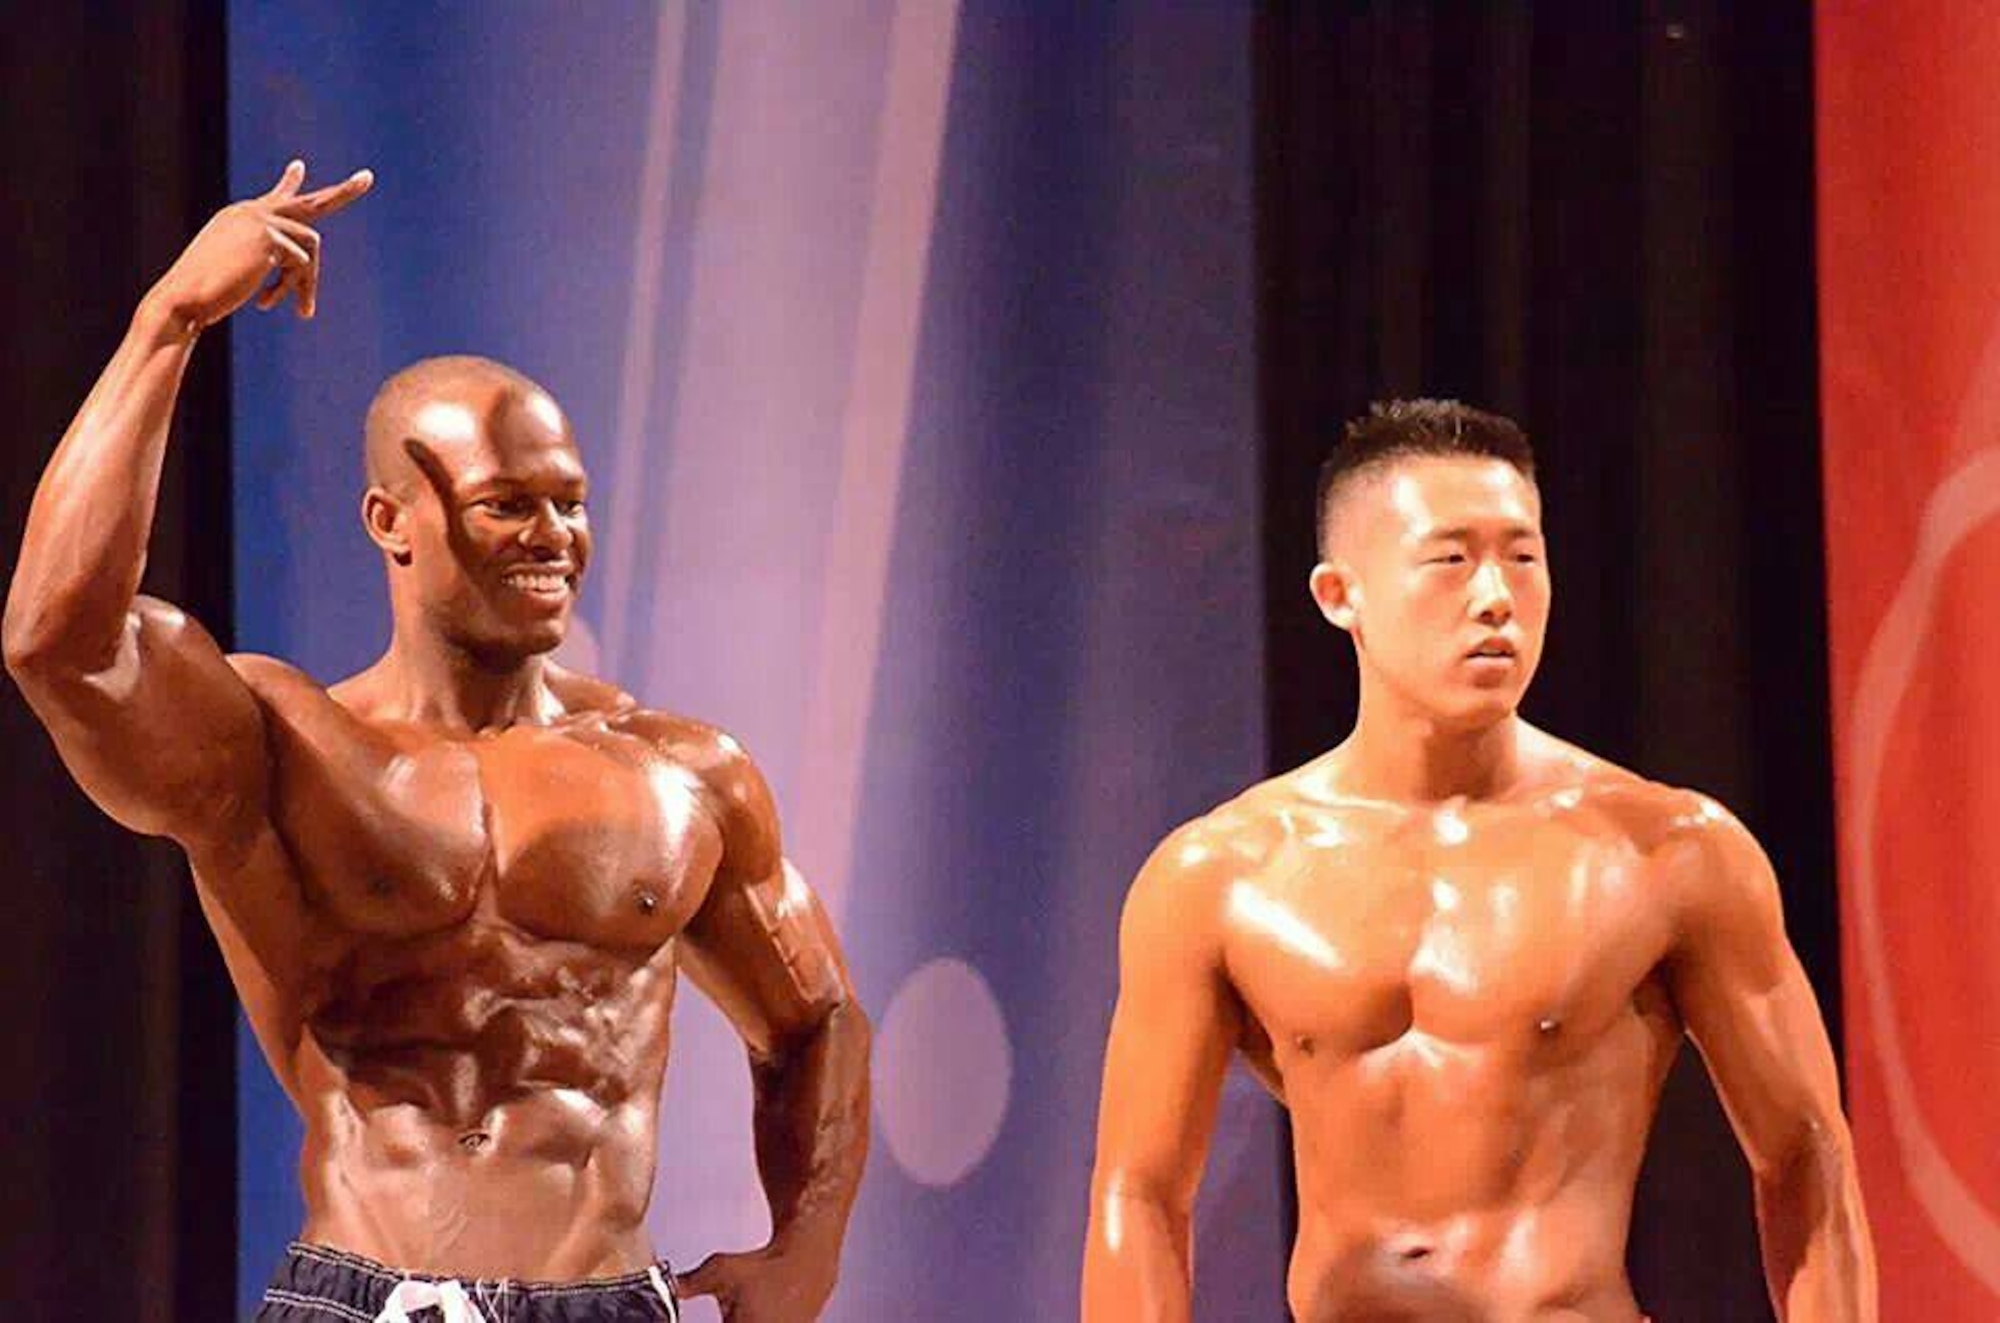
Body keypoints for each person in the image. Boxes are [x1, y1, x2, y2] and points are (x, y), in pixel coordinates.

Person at [4, 161, 870, 1322]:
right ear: (391, 523)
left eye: (569, 501)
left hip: (609, 1298)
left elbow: (813, 1016)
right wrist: (168, 321)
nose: (552, 535)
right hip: (375, 1298)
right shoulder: (277, 743)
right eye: (507, 503)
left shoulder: (680, 775)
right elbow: (58, 640)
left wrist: (805, 1246)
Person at [1082, 400, 1875, 1321]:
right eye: (1451, 559)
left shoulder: (1670, 854)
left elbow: (1807, 1155)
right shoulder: (1219, 878)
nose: (1496, 596)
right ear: (1342, 595)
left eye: (1523, 556)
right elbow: (1137, 1193)